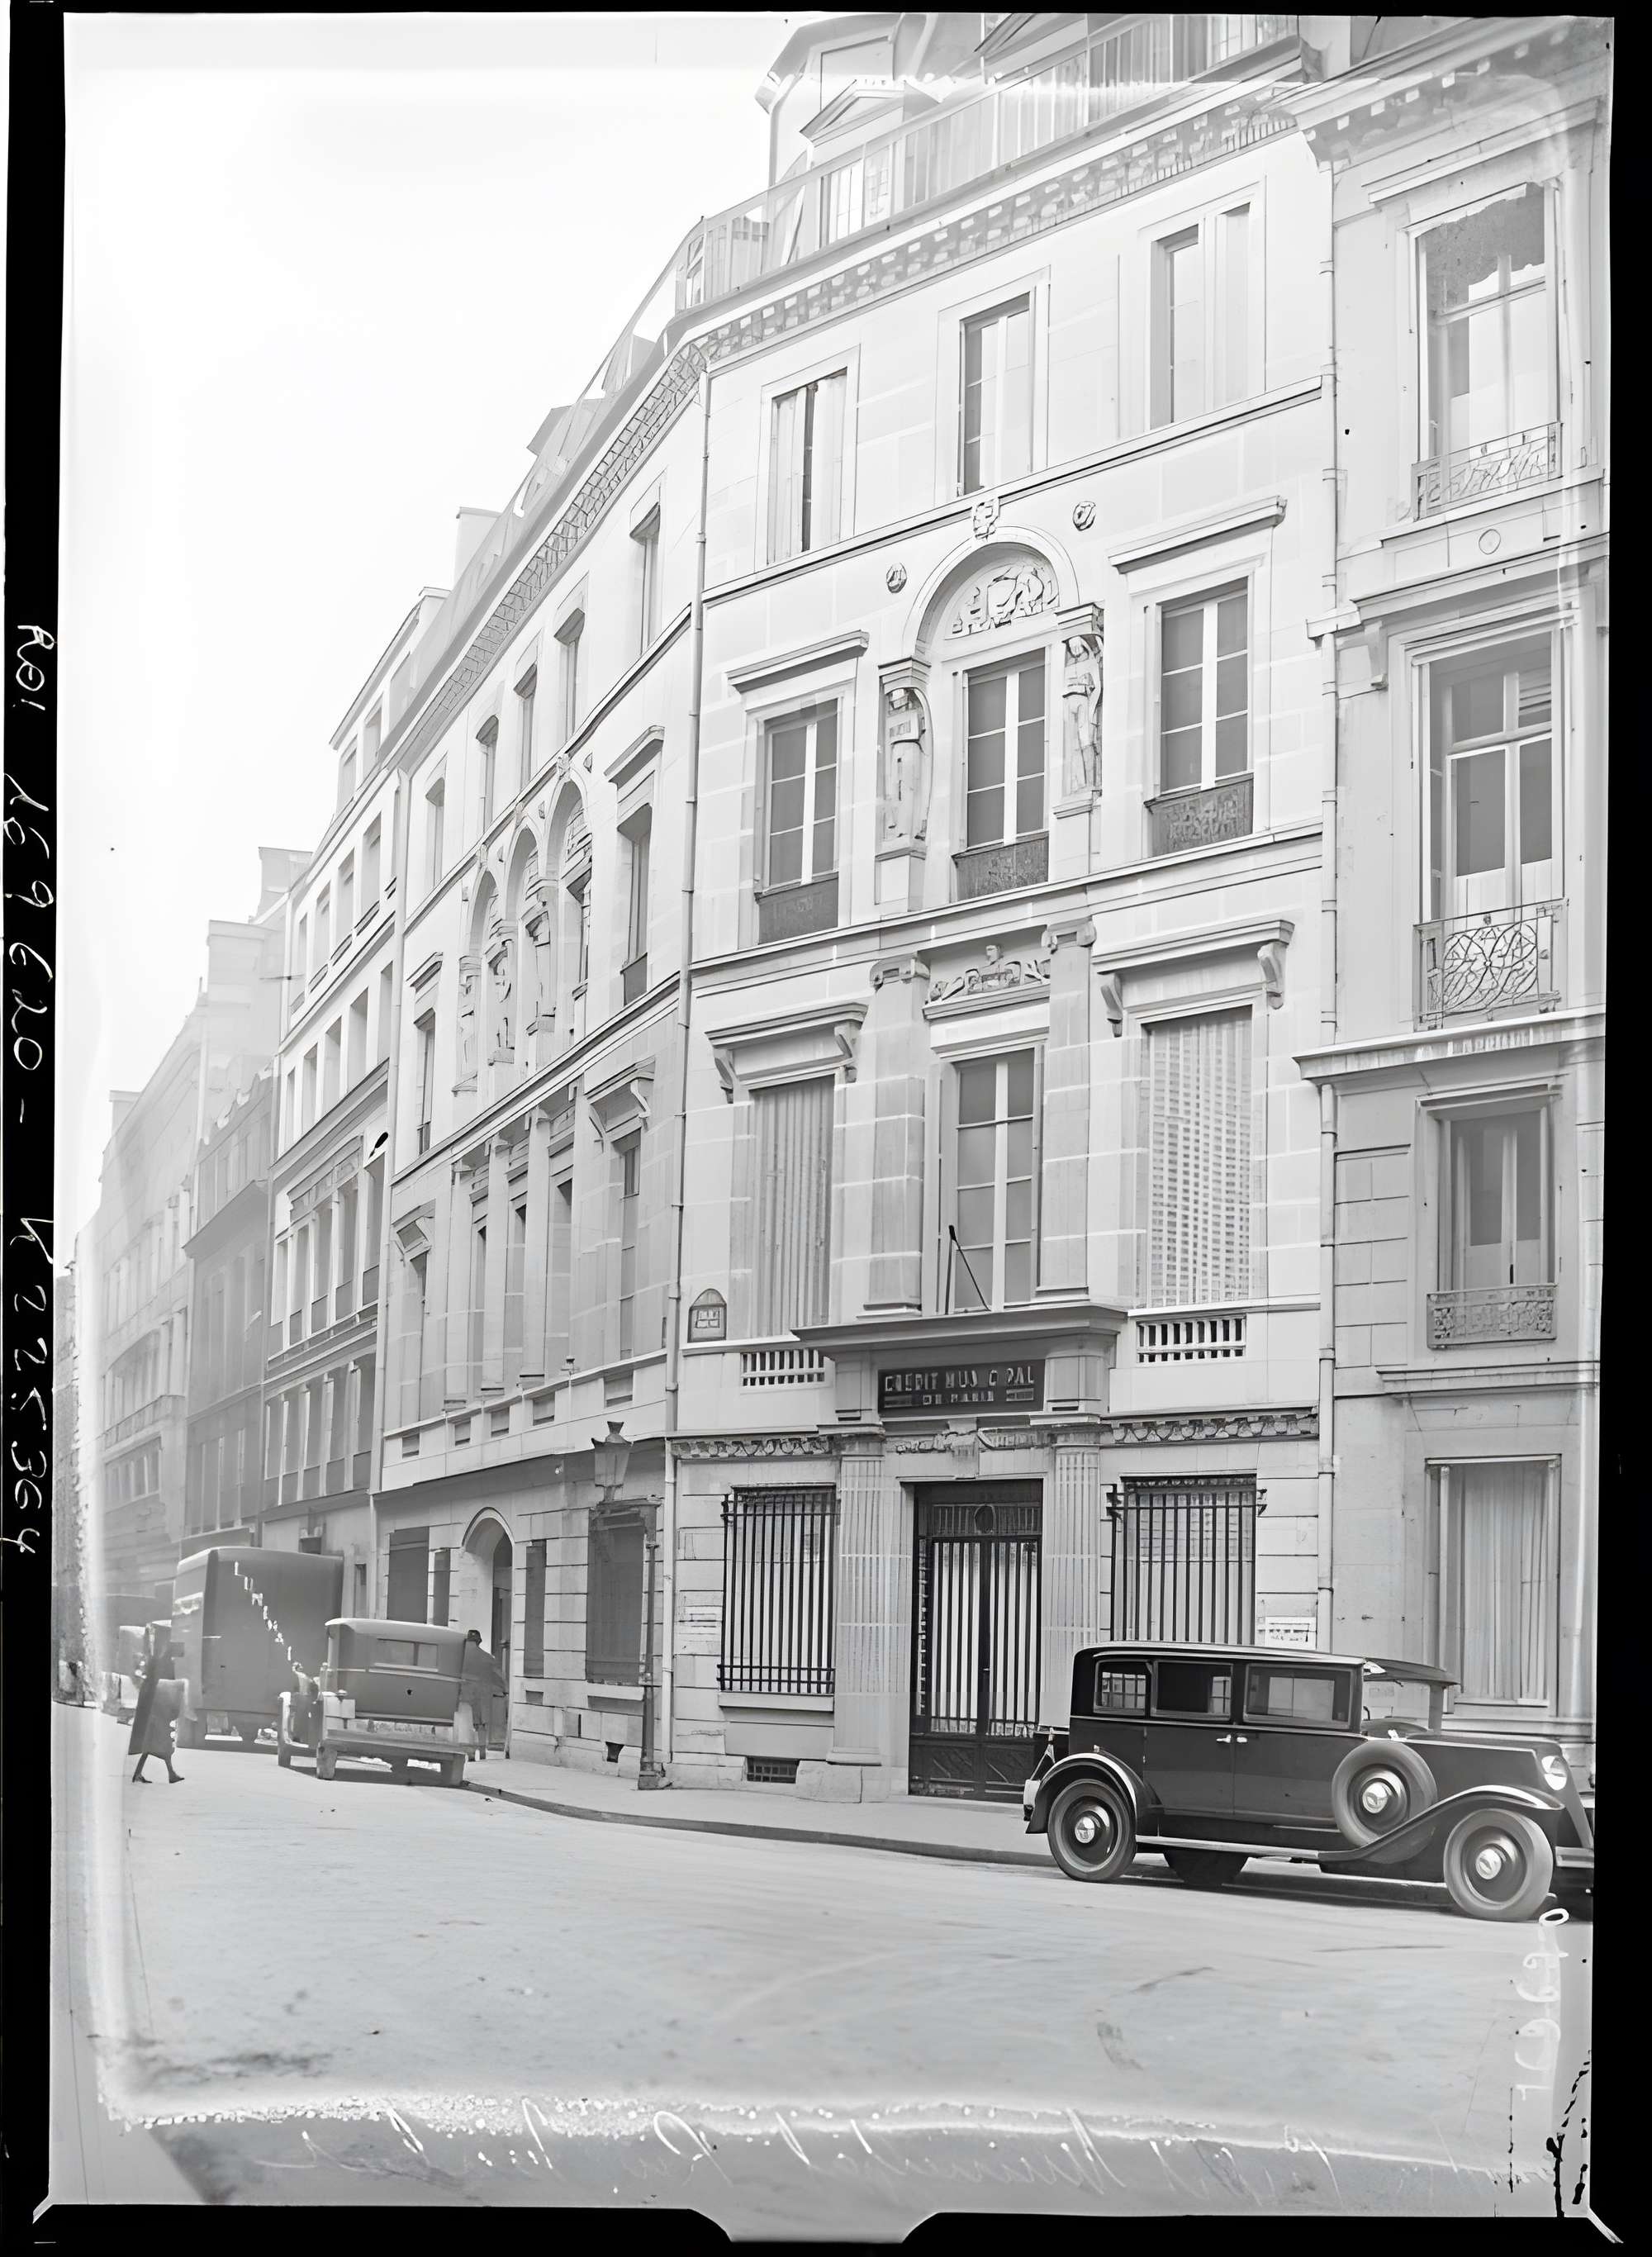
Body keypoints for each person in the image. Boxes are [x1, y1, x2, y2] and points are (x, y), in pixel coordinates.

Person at [129, 1637, 184, 1784]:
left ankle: (139, 1773)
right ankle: (170, 1774)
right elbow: (167, 1687)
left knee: (153, 1744)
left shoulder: (158, 1663)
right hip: (159, 1710)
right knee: (160, 1743)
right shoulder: (164, 1665)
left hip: (156, 1710)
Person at [459, 1627, 506, 1761]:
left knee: (468, 1724)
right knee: (481, 1725)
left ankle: (470, 1753)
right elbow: (499, 1677)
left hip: (465, 1694)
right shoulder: (488, 1658)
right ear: (479, 1641)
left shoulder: (459, 1657)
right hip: (482, 1694)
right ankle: (482, 1752)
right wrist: (504, 1690)